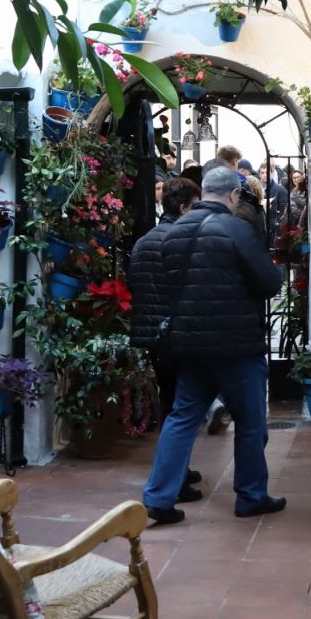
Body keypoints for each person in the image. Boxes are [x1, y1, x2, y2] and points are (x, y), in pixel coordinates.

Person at [141, 166, 286, 525]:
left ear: (203, 192)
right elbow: (268, 283)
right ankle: (251, 496)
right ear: (234, 196)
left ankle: (159, 496)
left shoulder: (172, 234)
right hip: (236, 345)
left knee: (182, 418)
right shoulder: (238, 229)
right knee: (251, 422)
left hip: (189, 345)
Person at [129, 177, 203, 500]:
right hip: (177, 334)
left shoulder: (145, 240)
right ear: (185, 206)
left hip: (152, 335)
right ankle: (176, 482)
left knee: (170, 401)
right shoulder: (182, 239)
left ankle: (180, 471)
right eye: (196, 206)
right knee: (181, 409)